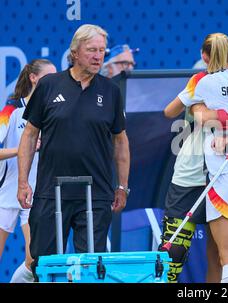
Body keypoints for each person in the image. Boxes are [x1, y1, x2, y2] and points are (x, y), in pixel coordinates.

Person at [17, 24, 130, 278]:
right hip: (51, 191)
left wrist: (122, 186)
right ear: (75, 52)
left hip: (96, 193)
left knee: (90, 268)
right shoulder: (49, 85)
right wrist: (23, 181)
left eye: (101, 50)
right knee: (44, 265)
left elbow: (121, 141)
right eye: (91, 50)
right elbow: (29, 135)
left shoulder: (111, 90)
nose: (98, 56)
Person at [161, 34, 228, 283]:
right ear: (226, 53)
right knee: (174, 251)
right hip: (191, 176)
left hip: (223, 175)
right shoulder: (202, 80)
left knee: (221, 257)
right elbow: (186, 115)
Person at [0, 59, 56, 283]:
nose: (53, 81)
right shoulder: (11, 109)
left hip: (32, 197)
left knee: (34, 260)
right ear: (33, 78)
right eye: (48, 77)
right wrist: (23, 148)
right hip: (5, 196)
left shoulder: (52, 111)